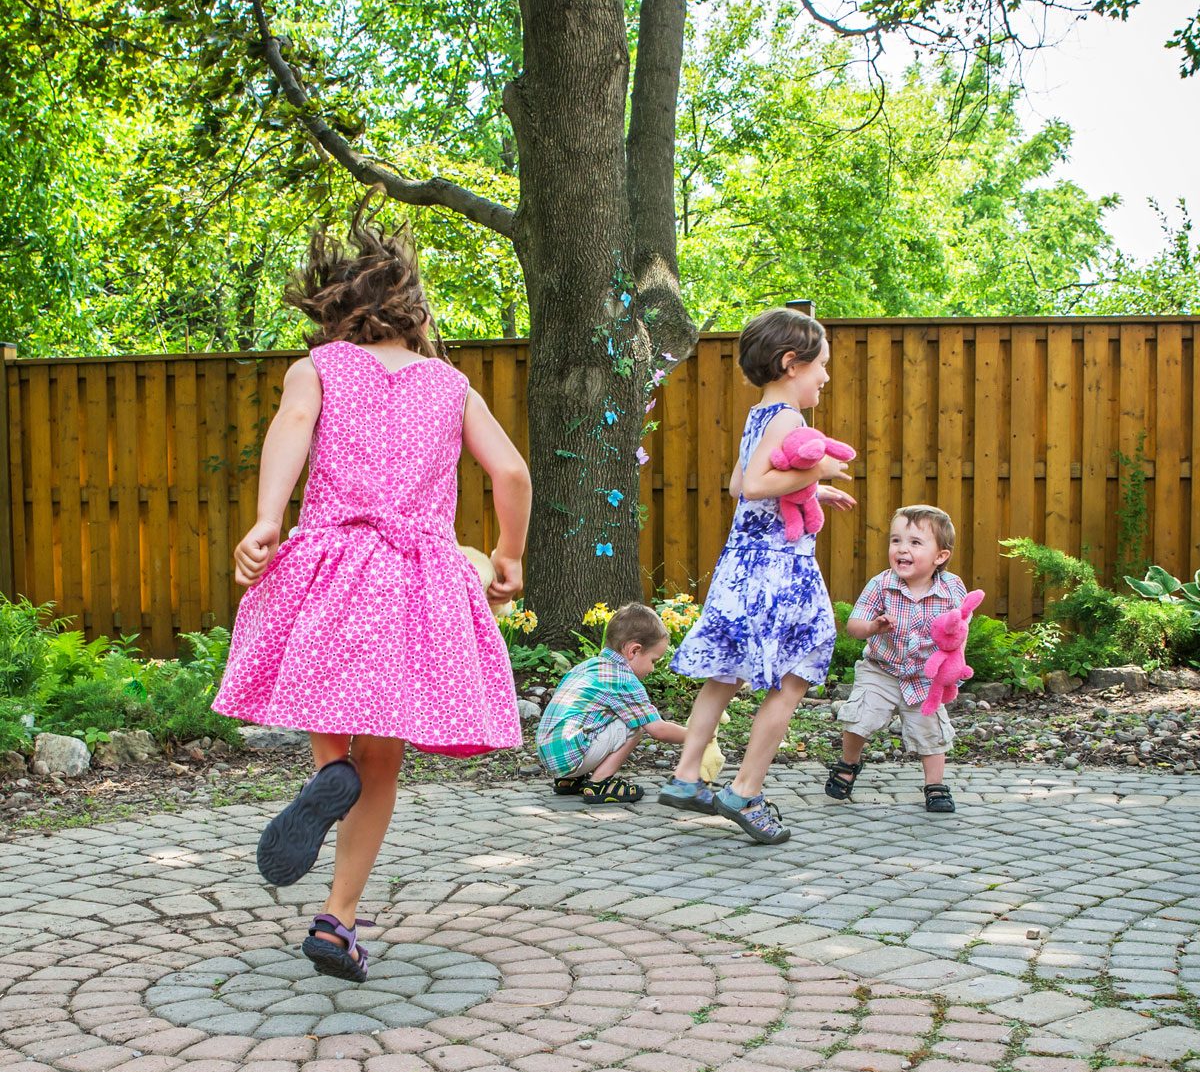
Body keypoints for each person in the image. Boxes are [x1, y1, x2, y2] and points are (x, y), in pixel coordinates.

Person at [212, 191, 532, 982]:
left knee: (327, 704)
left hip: (331, 564)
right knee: (382, 761)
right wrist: (508, 558)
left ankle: (327, 772)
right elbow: (512, 471)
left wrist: (265, 521)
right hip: (416, 579)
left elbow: (289, 434)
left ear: (335, 312)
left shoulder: (317, 368)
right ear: (415, 313)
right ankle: (338, 920)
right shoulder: (449, 386)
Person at [660, 308, 855, 844]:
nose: (826, 377)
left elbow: (737, 483)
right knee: (800, 667)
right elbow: (753, 487)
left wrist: (813, 491)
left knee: (725, 669)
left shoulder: (759, 416)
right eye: (822, 366)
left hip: (741, 563)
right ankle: (744, 790)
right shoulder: (791, 420)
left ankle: (685, 776)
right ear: (791, 363)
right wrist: (821, 470)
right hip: (780, 566)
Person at [826, 504, 967, 814]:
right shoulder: (881, 585)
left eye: (915, 543)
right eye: (896, 541)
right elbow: (853, 625)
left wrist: (953, 668)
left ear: (940, 556)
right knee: (859, 716)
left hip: (924, 677)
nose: (902, 549)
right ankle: (848, 763)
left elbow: (959, 631)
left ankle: (935, 784)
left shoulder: (952, 588)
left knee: (930, 729)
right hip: (881, 670)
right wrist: (873, 626)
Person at [537, 603, 687, 804]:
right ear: (634, 650)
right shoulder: (623, 678)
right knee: (635, 725)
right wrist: (697, 735)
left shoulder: (587, 667)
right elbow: (657, 729)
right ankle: (599, 784)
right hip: (571, 756)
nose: (652, 669)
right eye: (653, 660)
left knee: (601, 717)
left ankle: (568, 781)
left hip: (550, 754)